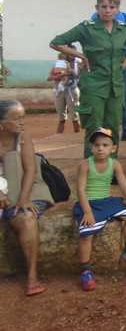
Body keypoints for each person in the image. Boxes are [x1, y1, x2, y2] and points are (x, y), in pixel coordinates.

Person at [50, 0, 126, 157]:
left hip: (116, 86)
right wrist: (80, 56)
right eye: (103, 6)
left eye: (112, 7)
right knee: (94, 126)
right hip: (94, 85)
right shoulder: (87, 28)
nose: (108, 10)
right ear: (96, 8)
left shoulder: (122, 29)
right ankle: (91, 168)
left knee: (112, 127)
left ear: (117, 10)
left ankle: (110, 166)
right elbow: (56, 42)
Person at [74, 128, 126, 292]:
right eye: (96, 145)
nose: (100, 148)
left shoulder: (115, 164)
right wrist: (87, 211)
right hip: (89, 203)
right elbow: (80, 190)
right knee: (87, 233)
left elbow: (124, 185)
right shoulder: (85, 165)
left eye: (105, 145)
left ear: (113, 149)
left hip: (107, 202)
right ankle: (86, 271)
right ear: (91, 148)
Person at [0, 101, 54, 296]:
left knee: (27, 219)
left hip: (28, 189)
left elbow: (30, 170)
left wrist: (22, 199)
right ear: (2, 125)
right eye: (17, 119)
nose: (22, 122)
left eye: (23, 117)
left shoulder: (23, 138)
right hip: (3, 192)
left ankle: (32, 278)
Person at [90, 0, 126, 141]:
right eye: (105, 2)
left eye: (113, 3)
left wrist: (121, 36)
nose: (108, 8)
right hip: (106, 62)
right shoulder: (95, 17)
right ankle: (105, 130)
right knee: (106, 96)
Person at [48, 51, 80, 134]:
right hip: (59, 91)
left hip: (71, 91)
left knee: (74, 115)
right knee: (61, 115)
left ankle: (77, 134)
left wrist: (66, 73)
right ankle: (59, 136)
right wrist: (61, 75)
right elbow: (49, 78)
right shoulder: (56, 65)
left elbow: (75, 75)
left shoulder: (75, 65)